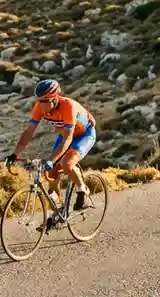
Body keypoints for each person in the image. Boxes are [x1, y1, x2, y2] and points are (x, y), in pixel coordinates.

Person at [6, 79, 97, 231]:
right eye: (39, 101)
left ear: (55, 98)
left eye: (45, 101)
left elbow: (69, 139)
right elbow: (29, 132)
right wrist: (14, 154)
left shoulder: (68, 106)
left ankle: (83, 190)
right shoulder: (40, 107)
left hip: (83, 135)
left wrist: (52, 160)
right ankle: (58, 212)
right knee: (51, 174)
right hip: (64, 136)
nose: (42, 105)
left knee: (66, 163)